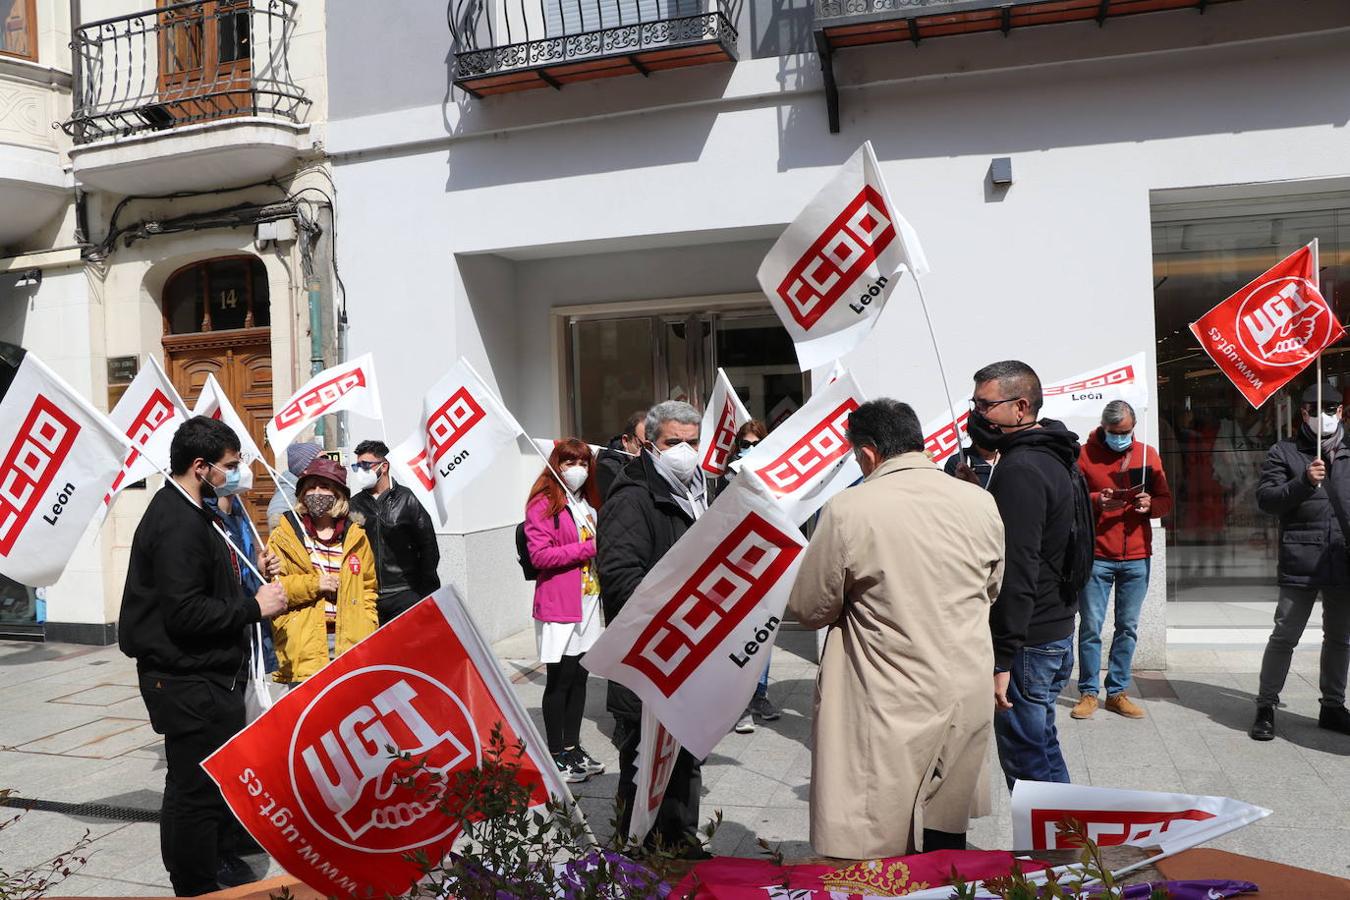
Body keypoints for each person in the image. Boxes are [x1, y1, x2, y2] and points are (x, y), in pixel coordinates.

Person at [788, 400, 1003, 858]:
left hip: (884, 690)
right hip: (963, 683)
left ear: (866, 453)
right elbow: (992, 587)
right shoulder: (980, 500)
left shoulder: (849, 508)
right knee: (947, 839)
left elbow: (810, 607)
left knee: (875, 837)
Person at [118, 416, 287, 896]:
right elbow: (186, 612)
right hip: (187, 683)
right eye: (229, 466)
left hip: (207, 677)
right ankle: (194, 885)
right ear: (201, 466)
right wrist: (254, 606)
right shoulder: (175, 521)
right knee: (193, 790)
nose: (234, 474)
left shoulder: (196, 509)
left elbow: (207, 577)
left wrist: (255, 572)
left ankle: (212, 861)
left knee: (204, 784)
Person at [598, 400, 708, 856]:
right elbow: (622, 580)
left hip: (685, 659)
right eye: (673, 442)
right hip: (647, 661)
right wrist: (685, 609)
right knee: (645, 767)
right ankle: (636, 858)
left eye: (692, 442)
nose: (684, 451)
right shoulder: (633, 498)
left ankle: (680, 844)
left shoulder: (696, 491)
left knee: (684, 762)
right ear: (650, 446)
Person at [969, 360, 1082, 788]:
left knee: (1027, 765)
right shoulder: (1053, 454)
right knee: (1042, 748)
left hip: (1029, 640)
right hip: (1051, 628)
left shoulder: (1021, 469)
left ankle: (1048, 854)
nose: (976, 414)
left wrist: (1003, 658)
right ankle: (1068, 847)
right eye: (975, 403)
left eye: (985, 404)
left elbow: (1017, 570)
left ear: (1020, 408)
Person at [1250, 382, 1350, 741]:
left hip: (1342, 558)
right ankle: (1266, 705)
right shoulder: (1286, 451)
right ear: (1302, 413)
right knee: (1285, 634)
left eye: (1329, 410)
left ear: (1341, 412)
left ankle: (1333, 705)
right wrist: (1304, 482)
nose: (1321, 416)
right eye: (1313, 409)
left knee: (1340, 638)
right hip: (1301, 558)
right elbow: (1267, 499)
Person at [1072, 400, 1172, 721]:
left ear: (1133, 428)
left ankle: (1117, 691)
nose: (1120, 438)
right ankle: (1088, 691)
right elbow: (1070, 500)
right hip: (1098, 554)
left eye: (1126, 432)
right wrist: (1096, 501)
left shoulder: (1147, 454)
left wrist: (1150, 504)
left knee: (1127, 627)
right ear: (1103, 428)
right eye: (1114, 433)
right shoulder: (1085, 455)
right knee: (1090, 627)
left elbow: (1166, 500)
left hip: (1137, 555)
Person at [525, 438, 607, 783]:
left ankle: (573, 748)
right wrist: (587, 548)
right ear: (556, 464)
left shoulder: (586, 504)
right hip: (560, 605)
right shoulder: (543, 503)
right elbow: (539, 556)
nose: (577, 468)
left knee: (580, 677)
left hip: (589, 604)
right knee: (560, 679)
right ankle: (555, 752)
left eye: (583, 462)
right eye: (570, 461)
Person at [268, 457, 379, 685]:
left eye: (324, 486)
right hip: (304, 645)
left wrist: (368, 625)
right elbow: (276, 589)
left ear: (338, 493)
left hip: (349, 642)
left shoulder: (356, 536)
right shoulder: (285, 535)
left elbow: (368, 589)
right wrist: (315, 584)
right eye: (310, 487)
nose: (316, 493)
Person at [725, 420, 781, 735]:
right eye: (745, 443)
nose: (750, 449)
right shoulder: (729, 478)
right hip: (738, 566)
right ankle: (740, 703)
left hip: (768, 564)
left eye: (756, 443)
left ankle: (760, 695)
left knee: (766, 630)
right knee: (740, 633)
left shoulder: (775, 479)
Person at [348, 439, 441, 625]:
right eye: (356, 466)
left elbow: (429, 547)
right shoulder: (353, 505)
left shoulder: (408, 500)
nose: (360, 471)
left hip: (404, 593)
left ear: (384, 466)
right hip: (368, 596)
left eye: (365, 465)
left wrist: (421, 591)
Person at [266, 442, 323, 531]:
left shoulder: (306, 491)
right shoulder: (284, 500)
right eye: (322, 459)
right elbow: (280, 534)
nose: (327, 463)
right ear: (305, 468)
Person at [596, 409, 647, 498]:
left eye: (652, 448)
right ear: (626, 441)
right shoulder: (607, 470)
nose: (648, 454)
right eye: (641, 446)